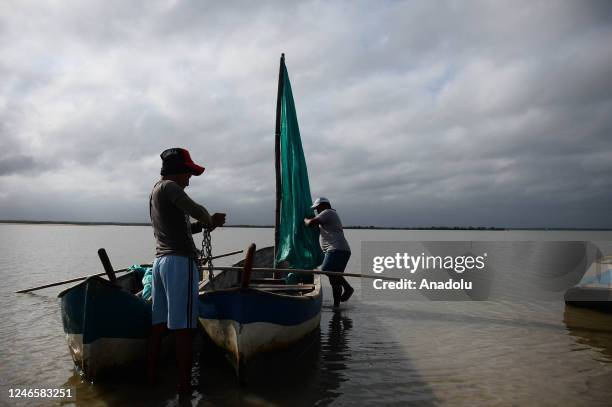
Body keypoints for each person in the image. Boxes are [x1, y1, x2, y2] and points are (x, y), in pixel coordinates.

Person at [147, 147, 226, 392]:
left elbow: (182, 228)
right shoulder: (171, 188)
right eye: (188, 174)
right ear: (177, 172)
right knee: (184, 328)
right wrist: (210, 220)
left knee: (159, 325)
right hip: (179, 263)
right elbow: (198, 210)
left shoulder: (156, 192)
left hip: (160, 262)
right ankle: (184, 386)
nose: (189, 180)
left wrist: (203, 227)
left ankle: (151, 376)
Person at [304, 197, 354, 308]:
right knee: (334, 281)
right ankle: (336, 306)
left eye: (317, 208)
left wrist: (305, 220)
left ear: (323, 205)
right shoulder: (329, 215)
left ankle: (348, 288)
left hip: (336, 249)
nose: (316, 211)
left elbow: (311, 223)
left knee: (326, 269)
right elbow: (319, 227)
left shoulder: (327, 212)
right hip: (341, 250)